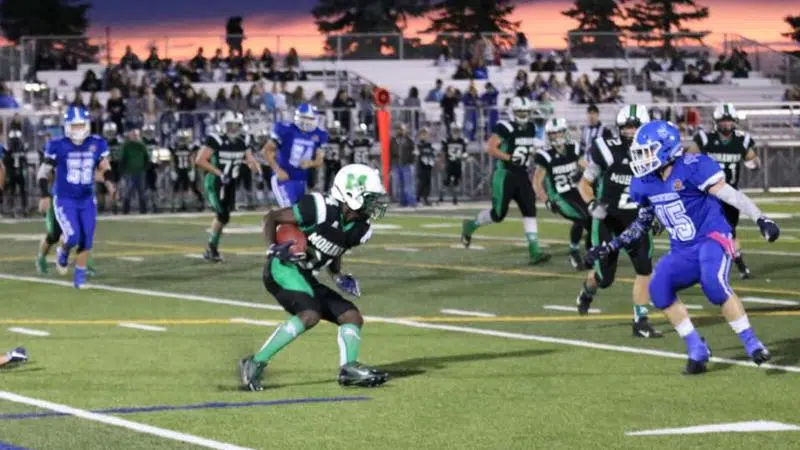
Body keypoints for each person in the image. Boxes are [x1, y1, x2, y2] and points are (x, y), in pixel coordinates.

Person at [586, 120, 778, 374]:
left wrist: (761, 218)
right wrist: (611, 246)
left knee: (713, 284)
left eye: (648, 151)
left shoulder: (693, 166)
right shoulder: (644, 183)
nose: (642, 158)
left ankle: (752, 343)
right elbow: (642, 223)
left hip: (712, 238)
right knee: (659, 287)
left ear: (666, 148)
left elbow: (731, 194)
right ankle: (696, 348)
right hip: (683, 250)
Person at [239, 164, 389, 391]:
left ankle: (348, 369)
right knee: (310, 314)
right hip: (283, 268)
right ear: (351, 195)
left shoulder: (360, 229)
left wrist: (338, 275)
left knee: (351, 316)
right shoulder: (319, 208)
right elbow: (272, 217)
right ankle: (255, 362)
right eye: (369, 198)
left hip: (306, 275)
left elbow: (336, 248)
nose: (373, 204)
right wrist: (272, 248)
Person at [576, 104, 662, 338]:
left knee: (644, 268)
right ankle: (587, 292)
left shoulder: (656, 152)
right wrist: (592, 204)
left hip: (637, 219)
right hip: (609, 218)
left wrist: (659, 213)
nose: (631, 132)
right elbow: (584, 183)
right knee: (604, 278)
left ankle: (641, 321)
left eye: (636, 127)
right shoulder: (606, 149)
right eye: (627, 127)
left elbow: (660, 187)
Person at [461, 97, 550, 265]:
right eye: (520, 112)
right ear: (513, 112)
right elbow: (491, 148)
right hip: (505, 174)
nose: (523, 115)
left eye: (526, 112)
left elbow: (528, 146)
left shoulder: (531, 127)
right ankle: (470, 225)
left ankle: (534, 251)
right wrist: (510, 157)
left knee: (530, 209)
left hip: (522, 174)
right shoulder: (505, 127)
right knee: (498, 214)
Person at [36, 107, 116, 289]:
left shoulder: (97, 143)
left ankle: (79, 279)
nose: (78, 130)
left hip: (87, 198)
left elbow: (105, 167)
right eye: (75, 126)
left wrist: (111, 185)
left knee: (87, 238)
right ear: (67, 126)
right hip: (65, 198)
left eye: (81, 125)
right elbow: (43, 172)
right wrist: (43, 195)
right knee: (71, 236)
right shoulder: (58, 145)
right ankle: (61, 252)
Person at [688, 103, 759, 279]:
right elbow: (688, 159)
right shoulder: (705, 139)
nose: (727, 124)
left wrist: (755, 163)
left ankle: (738, 261)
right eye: (723, 121)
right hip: (708, 194)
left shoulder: (741, 140)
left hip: (730, 195)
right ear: (716, 122)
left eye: (729, 121)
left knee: (730, 232)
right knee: (700, 231)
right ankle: (700, 265)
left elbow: (753, 160)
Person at [196, 111, 262, 262]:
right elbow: (200, 160)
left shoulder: (243, 140)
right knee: (222, 215)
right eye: (230, 125)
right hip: (215, 181)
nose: (233, 128)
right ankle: (211, 248)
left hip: (231, 182)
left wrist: (256, 169)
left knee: (225, 217)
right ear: (223, 125)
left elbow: (250, 159)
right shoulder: (216, 139)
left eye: (236, 125)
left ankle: (212, 247)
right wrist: (219, 173)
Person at [533, 118, 591, 270]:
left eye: (559, 133)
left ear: (565, 133)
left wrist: (585, 174)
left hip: (576, 191)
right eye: (553, 134)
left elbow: (588, 168)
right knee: (583, 218)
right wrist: (546, 200)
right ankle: (575, 251)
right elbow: (537, 182)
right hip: (559, 196)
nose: (556, 137)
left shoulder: (574, 148)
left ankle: (590, 249)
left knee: (594, 217)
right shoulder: (545, 155)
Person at [262, 104, 326, 208]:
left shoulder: (319, 135)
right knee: (289, 212)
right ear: (298, 117)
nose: (308, 121)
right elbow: (266, 151)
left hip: (301, 180)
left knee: (300, 215)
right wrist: (278, 170)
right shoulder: (286, 130)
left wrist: (311, 163)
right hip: (283, 178)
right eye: (306, 118)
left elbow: (319, 161)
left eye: (311, 118)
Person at [169, 128, 200, 211]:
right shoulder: (175, 148)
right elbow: (172, 160)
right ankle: (175, 205)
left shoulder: (189, 148)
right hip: (178, 170)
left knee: (185, 189)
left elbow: (191, 159)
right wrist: (172, 170)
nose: (182, 140)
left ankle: (184, 204)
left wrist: (192, 170)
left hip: (186, 170)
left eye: (184, 138)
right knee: (176, 189)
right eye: (181, 138)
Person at [439, 123, 468, 205]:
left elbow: (465, 152)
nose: (456, 134)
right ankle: (441, 197)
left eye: (457, 132)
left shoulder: (462, 141)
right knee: (446, 182)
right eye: (455, 132)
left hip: (458, 163)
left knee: (456, 182)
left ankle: (455, 199)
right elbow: (443, 152)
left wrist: (464, 159)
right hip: (449, 163)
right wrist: (442, 162)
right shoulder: (447, 140)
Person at [322, 121, 346, 192]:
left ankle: (340, 190)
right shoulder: (327, 139)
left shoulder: (338, 139)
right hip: (330, 160)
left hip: (335, 160)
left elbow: (342, 149)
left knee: (337, 177)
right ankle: (326, 191)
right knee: (328, 178)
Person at [415, 127, 435, 206]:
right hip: (421, 167)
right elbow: (417, 154)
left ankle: (426, 198)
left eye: (426, 134)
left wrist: (432, 161)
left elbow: (432, 154)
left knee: (428, 183)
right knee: (421, 183)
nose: (424, 136)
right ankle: (417, 198)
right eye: (423, 134)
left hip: (429, 166)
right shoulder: (419, 145)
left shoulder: (430, 145)